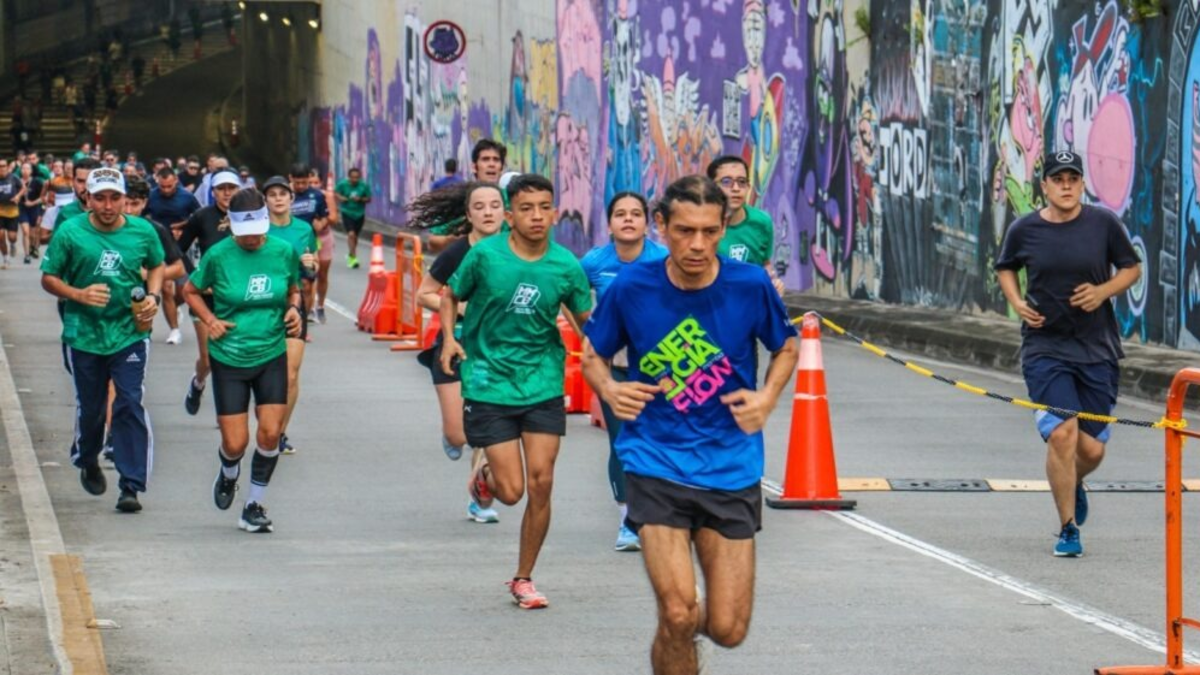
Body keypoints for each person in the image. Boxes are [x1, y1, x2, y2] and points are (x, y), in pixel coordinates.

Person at [581, 175, 798, 674]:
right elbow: (593, 352)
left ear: (724, 228)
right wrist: (610, 390)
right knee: (679, 611)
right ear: (662, 227)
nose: (697, 244)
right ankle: (674, 629)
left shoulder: (750, 285)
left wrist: (767, 396)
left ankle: (674, 637)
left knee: (727, 629)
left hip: (731, 464)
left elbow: (785, 344)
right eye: (683, 231)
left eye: (709, 231)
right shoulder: (634, 286)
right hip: (655, 459)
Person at [439, 174, 593, 609]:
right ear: (510, 215)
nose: (537, 216)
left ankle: (524, 577)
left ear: (554, 212)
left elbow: (588, 326)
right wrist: (450, 339)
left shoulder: (566, 266)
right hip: (488, 381)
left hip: (542, 381)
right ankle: (484, 477)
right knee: (512, 492)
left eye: (545, 207)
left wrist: (612, 361)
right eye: (526, 208)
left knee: (542, 482)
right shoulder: (485, 256)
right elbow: (450, 295)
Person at [995, 150, 1142, 558]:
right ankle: (1068, 527)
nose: (1065, 186)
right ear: (1044, 186)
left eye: (1072, 179)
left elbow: (1132, 269)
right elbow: (1005, 266)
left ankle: (1073, 480)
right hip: (1046, 347)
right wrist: (1016, 301)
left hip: (1096, 348)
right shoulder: (1024, 229)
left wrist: (1102, 292)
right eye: (1057, 179)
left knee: (1092, 449)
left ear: (1081, 184)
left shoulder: (1103, 224)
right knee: (1063, 432)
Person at [40, 167, 166, 513]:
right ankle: (88, 457)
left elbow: (157, 265)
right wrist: (77, 294)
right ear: (88, 199)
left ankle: (130, 485)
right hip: (83, 334)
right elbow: (49, 278)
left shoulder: (142, 231)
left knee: (128, 402)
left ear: (126, 198)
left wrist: (153, 297)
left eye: (115, 197)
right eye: (100, 198)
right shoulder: (70, 232)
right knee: (93, 409)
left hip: (129, 332)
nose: (108, 206)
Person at [183, 188, 303, 533]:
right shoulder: (218, 256)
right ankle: (229, 472)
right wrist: (210, 320)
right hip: (229, 356)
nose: (252, 239)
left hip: (270, 352)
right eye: (244, 233)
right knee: (235, 443)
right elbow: (190, 291)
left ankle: (253, 504)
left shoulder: (283, 252)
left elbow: (293, 287)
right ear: (232, 228)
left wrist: (294, 308)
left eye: (257, 232)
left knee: (269, 434)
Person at [412, 181, 506, 524]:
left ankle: (480, 499)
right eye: (479, 207)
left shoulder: (517, 251)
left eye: (494, 206)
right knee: (459, 435)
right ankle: (450, 434)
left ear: (505, 212)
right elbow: (424, 294)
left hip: (496, 352)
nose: (488, 213)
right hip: (455, 346)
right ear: (468, 215)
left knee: (487, 426)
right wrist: (462, 308)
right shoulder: (456, 252)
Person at [580, 192, 668, 552]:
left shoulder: (664, 259)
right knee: (622, 444)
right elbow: (576, 303)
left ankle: (665, 513)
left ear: (646, 222)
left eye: (636, 214)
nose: (628, 219)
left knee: (660, 440)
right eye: (620, 214)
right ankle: (628, 520)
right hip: (614, 365)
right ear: (609, 223)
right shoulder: (593, 262)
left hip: (662, 367)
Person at [177, 169, 241, 416]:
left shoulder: (248, 218)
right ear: (213, 192)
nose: (227, 193)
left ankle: (227, 410)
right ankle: (198, 383)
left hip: (236, 298)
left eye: (231, 188)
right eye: (221, 189)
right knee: (209, 359)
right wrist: (199, 277)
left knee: (232, 356)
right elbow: (178, 249)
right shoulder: (201, 217)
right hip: (204, 297)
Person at [262, 175, 317, 456]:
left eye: (283, 194)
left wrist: (310, 265)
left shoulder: (304, 229)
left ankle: (279, 433)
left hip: (293, 305)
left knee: (291, 375)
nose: (278, 199)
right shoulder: (259, 229)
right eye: (272, 195)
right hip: (263, 304)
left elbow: (311, 270)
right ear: (266, 201)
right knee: (264, 373)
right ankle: (267, 425)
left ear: (291, 199)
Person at [148, 166, 201, 345]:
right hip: (158, 246)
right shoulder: (152, 196)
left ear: (176, 182)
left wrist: (183, 226)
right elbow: (143, 216)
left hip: (180, 247)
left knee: (184, 290)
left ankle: (176, 306)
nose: (166, 190)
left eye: (169, 186)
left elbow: (198, 217)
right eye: (162, 186)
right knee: (165, 288)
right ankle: (174, 330)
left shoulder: (187, 197)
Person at [427, 140, 506, 252]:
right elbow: (432, 242)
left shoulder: (512, 199)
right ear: (474, 167)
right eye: (485, 159)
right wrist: (450, 239)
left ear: (501, 168)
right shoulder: (459, 199)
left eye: (496, 160)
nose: (491, 164)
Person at [288, 165, 330, 323]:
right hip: (286, 242)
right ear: (290, 178)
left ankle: (303, 319)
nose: (300, 186)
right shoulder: (284, 194)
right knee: (289, 284)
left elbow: (325, 216)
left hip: (307, 244)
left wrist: (321, 223)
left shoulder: (317, 196)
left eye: (304, 183)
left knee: (307, 282)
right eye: (297, 182)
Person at [334, 167, 371, 269]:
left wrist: (361, 199)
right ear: (349, 177)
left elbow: (369, 199)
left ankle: (351, 253)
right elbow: (336, 192)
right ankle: (353, 258)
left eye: (357, 178)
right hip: (347, 212)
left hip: (359, 214)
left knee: (355, 237)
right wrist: (342, 198)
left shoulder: (364, 186)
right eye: (353, 178)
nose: (355, 180)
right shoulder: (343, 184)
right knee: (351, 234)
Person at [0, 158, 26, 268]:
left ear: (7, 167)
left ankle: (12, 244)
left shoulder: (13, 177)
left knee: (12, 237)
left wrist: (18, 196)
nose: (1, 168)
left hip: (12, 212)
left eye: (3, 166)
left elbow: (23, 188)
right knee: (0, 236)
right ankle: (5, 259)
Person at [19, 161, 46, 263]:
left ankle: (34, 247)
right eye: (23, 168)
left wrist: (32, 203)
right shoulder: (17, 181)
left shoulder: (37, 182)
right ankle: (26, 255)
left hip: (34, 208)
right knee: (25, 231)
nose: (25, 171)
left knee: (33, 233)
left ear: (31, 171)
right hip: (22, 209)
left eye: (27, 168)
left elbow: (43, 197)